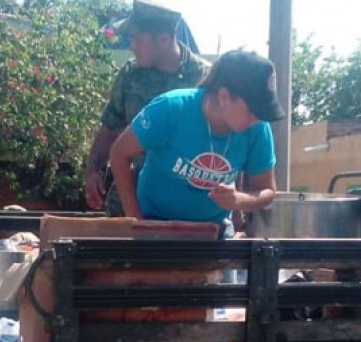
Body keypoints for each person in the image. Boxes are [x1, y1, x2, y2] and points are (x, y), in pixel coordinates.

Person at [109, 49, 285, 232]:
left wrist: (240, 200)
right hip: (156, 222)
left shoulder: (258, 129)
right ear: (224, 96)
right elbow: (119, 153)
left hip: (215, 229)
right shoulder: (170, 109)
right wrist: (136, 220)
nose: (257, 119)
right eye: (252, 110)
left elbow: (267, 191)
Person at [84, 0, 210, 215]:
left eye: (138, 39)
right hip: (129, 199)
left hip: (184, 205)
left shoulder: (204, 79)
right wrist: (93, 170)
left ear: (163, 39)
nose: (132, 46)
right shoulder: (131, 75)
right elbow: (110, 128)